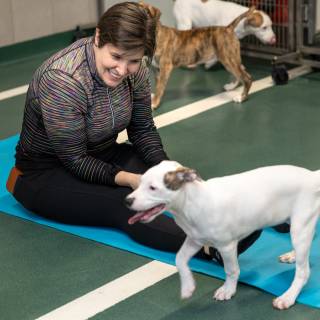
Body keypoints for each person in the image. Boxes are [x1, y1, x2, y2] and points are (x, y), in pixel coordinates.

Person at [6, 1, 261, 264]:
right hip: (46, 172)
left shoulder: (135, 70)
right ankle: (212, 248)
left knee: (176, 180)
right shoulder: (63, 80)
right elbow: (75, 159)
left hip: (103, 152)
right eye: (115, 56)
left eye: (133, 61)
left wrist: (165, 167)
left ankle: (245, 217)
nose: (122, 70)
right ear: (97, 37)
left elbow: (142, 130)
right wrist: (128, 178)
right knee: (125, 201)